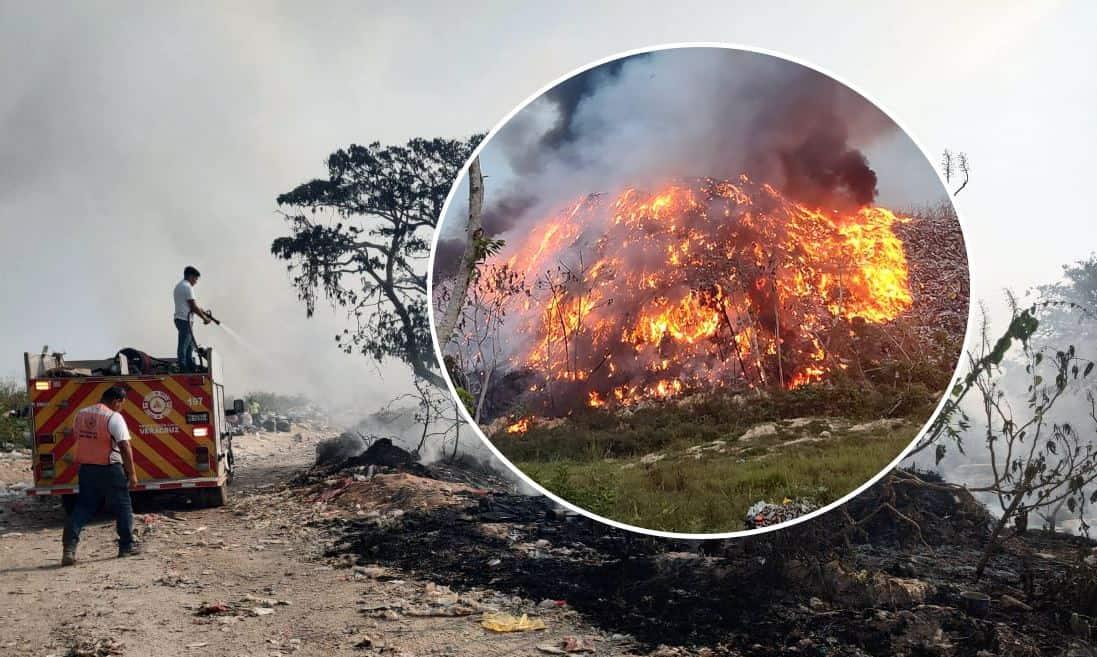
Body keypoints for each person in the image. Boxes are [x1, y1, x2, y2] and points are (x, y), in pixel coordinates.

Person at [61, 386, 140, 565]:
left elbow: (78, 436)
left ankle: (69, 548)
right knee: (123, 506)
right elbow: (125, 447)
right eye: (121, 404)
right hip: (110, 469)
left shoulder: (81, 414)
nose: (121, 408)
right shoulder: (114, 417)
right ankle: (126, 547)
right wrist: (132, 474)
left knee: (83, 508)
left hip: (87, 469)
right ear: (115, 401)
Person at [174, 265, 214, 373]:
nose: (196, 282)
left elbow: (190, 305)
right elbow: (193, 306)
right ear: (191, 276)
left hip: (180, 319)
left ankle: (190, 366)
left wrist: (200, 310)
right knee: (184, 345)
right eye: (196, 279)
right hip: (184, 320)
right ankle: (183, 368)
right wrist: (204, 318)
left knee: (189, 346)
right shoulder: (187, 287)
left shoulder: (179, 286)